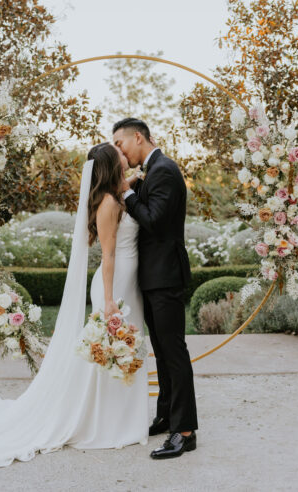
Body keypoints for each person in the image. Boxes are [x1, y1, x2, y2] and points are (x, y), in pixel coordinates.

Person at [0, 143, 149, 469]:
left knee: (118, 349)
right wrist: (108, 301)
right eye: (117, 152)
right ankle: (105, 422)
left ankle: (118, 418)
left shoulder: (117, 193)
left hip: (127, 283)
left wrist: (132, 181)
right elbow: (108, 255)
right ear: (110, 164)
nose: (123, 153)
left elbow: (125, 190)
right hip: (114, 284)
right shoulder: (107, 203)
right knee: (107, 351)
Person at [113, 117, 198, 460]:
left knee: (174, 353)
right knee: (162, 351)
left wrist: (127, 193)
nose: (119, 151)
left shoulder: (164, 169)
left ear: (138, 137)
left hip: (165, 277)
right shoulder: (153, 170)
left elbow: (155, 220)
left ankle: (185, 431)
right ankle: (166, 416)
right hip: (154, 277)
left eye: (120, 144)